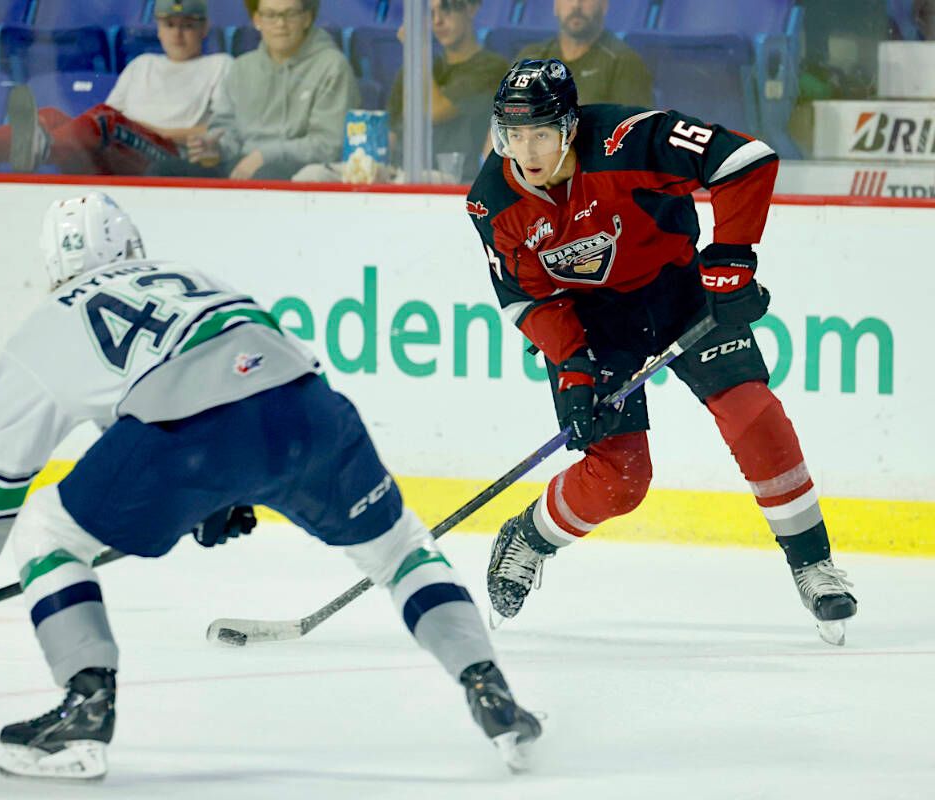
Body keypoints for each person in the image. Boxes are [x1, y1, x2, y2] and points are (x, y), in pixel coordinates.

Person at [0, 191, 541, 779]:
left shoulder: (44, 327)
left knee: (44, 530)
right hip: (309, 410)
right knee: (401, 549)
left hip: (184, 440)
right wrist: (226, 491)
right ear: (132, 248)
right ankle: (487, 685)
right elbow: (256, 377)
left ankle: (85, 705)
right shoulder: (193, 279)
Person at [466, 59, 858, 646]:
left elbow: (743, 159)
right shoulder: (492, 202)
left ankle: (813, 564)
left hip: (678, 292)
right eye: (514, 135)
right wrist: (573, 367)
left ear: (571, 127)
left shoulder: (630, 139)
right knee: (618, 481)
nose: (527, 151)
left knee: (752, 411)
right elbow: (527, 298)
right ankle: (529, 537)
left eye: (542, 133)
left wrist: (730, 258)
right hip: (594, 325)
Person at [0, 0, 232, 174]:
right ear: (157, 28)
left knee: (105, 121)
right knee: (51, 115)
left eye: (187, 25)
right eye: (170, 24)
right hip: (123, 146)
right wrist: (129, 129)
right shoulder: (142, 64)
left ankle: (42, 147)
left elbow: (220, 130)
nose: (178, 33)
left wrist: (156, 131)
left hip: (169, 156)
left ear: (204, 29)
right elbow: (115, 122)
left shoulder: (220, 65)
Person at [291, 0, 508, 184]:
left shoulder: (491, 67)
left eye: (447, 8)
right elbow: (393, 131)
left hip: (450, 177)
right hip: (399, 170)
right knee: (311, 176)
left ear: (472, 7)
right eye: (430, 13)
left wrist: (418, 48)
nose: (438, 21)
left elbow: (432, 111)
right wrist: (366, 163)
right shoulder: (419, 68)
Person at [149, 0, 358, 180]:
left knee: (269, 175)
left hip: (292, 168)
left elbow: (329, 144)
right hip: (237, 165)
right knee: (163, 170)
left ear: (307, 18)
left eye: (290, 14)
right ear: (257, 20)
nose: (280, 24)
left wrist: (265, 155)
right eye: (270, 15)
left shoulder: (332, 66)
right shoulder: (242, 67)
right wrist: (214, 147)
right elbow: (227, 129)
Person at [516, 0, 651, 107]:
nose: (576, 5)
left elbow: (633, 132)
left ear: (603, 5)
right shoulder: (531, 58)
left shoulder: (624, 62)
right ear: (556, 6)